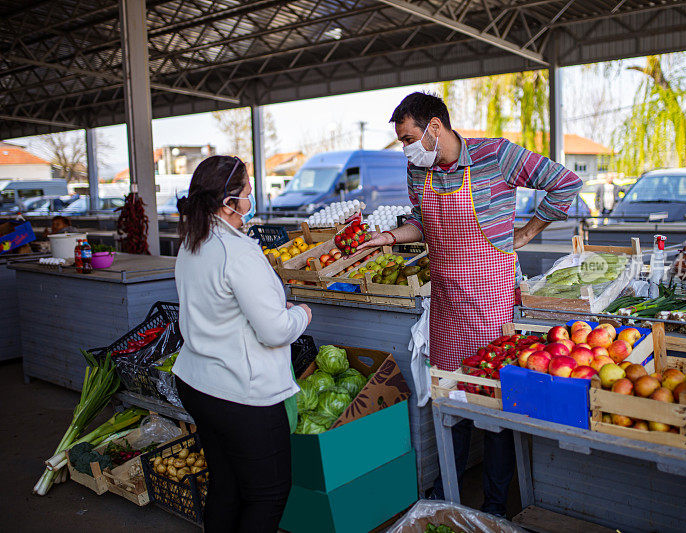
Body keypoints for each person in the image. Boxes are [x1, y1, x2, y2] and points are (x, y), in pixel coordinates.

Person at [360, 92, 582, 517]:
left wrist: (530, 230)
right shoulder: (416, 169)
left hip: (489, 305)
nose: (406, 148)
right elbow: (422, 222)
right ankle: (448, 499)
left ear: (434, 128)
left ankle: (495, 507)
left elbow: (565, 182)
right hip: (446, 308)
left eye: (408, 137)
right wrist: (388, 238)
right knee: (451, 404)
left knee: (493, 406)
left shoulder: (494, 155)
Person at [172, 155, 312, 532]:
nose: (251, 202)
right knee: (268, 494)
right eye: (247, 194)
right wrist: (302, 313)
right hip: (241, 394)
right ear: (228, 202)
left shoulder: (191, 243)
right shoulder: (238, 252)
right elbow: (275, 330)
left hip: (196, 383)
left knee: (227, 485)